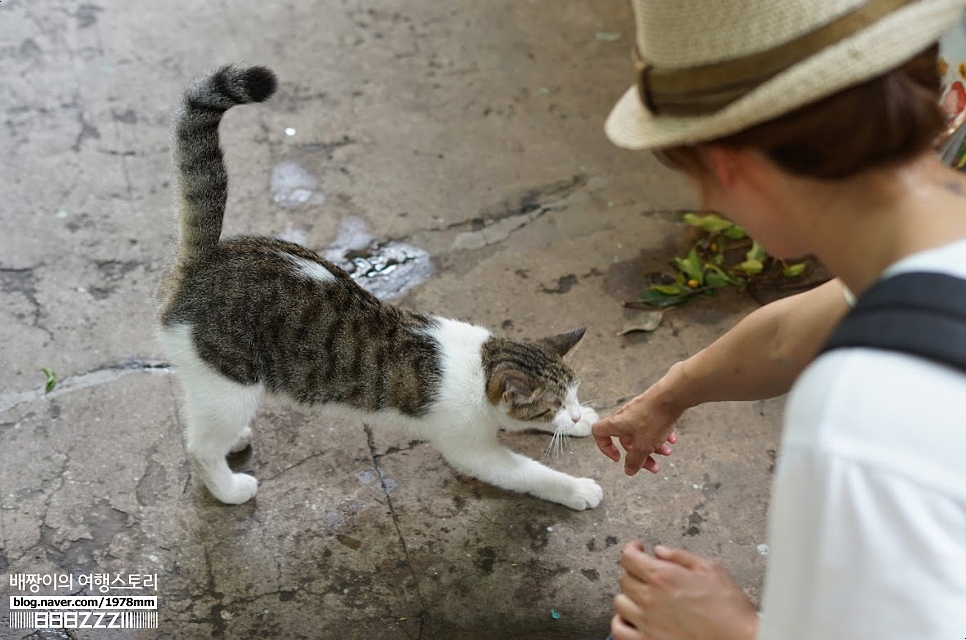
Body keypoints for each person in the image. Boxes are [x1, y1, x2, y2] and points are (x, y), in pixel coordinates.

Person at [590, 1, 966, 639]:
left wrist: (726, 632)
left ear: (726, 160)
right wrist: (672, 393)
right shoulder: (929, 261)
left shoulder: (862, 416)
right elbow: (808, 328)